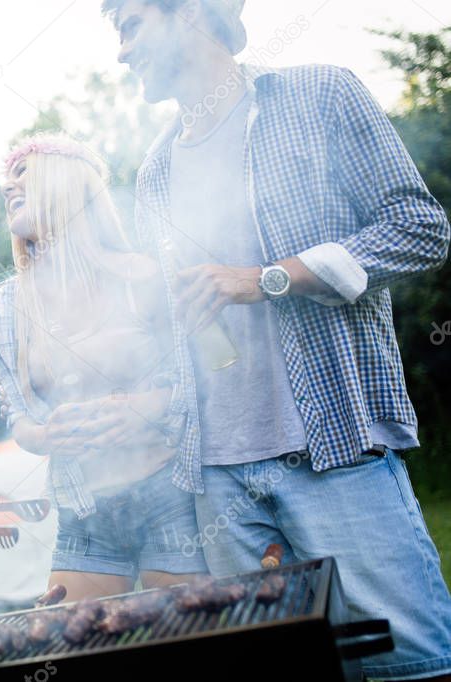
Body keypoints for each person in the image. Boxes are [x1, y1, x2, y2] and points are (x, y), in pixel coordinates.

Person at [103, 0, 451, 677]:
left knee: (406, 663)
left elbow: (418, 228)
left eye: (130, 26)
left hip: (333, 448)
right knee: (286, 670)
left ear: (190, 14)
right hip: (216, 477)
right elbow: (180, 319)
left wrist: (266, 279)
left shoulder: (318, 95)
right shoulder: (155, 172)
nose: (120, 51)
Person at [0, 133, 207, 601]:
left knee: (190, 646)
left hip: (170, 499)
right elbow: (20, 419)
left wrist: (145, 406)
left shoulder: (142, 276)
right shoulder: (8, 306)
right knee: (81, 652)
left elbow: (199, 382)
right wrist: (46, 436)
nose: (8, 188)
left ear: (65, 184)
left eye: (22, 175)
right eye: (6, 182)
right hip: (84, 512)